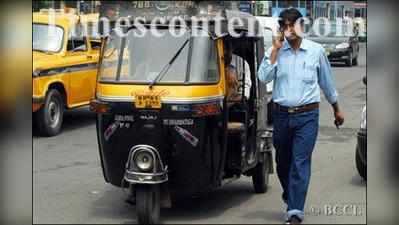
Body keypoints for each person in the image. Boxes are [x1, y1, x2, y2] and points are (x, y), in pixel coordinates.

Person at [257, 8, 345, 224]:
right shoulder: (275, 51)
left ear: (301, 26)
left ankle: (295, 211)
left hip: (307, 116)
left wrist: (336, 108)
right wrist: (275, 51)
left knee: (300, 162)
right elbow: (263, 76)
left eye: (293, 25)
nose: (289, 30)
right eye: (285, 26)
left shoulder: (316, 51)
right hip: (281, 116)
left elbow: (327, 82)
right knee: (283, 162)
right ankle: (291, 194)